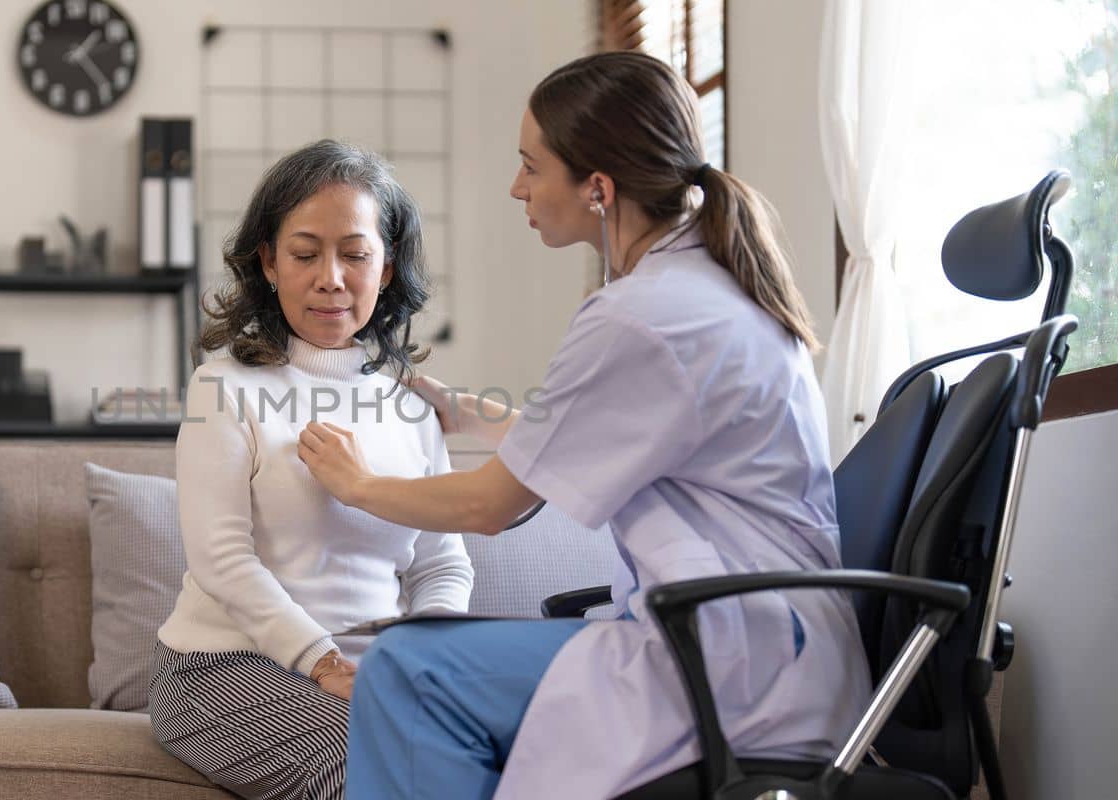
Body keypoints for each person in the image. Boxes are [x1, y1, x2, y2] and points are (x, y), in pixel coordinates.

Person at [295, 52, 871, 799]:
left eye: (531, 167)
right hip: (772, 644)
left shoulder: (641, 317)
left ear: (598, 189)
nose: (516, 187)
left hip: (734, 659)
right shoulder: (703, 291)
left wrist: (359, 484)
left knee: (409, 668)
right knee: (423, 669)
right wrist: (460, 409)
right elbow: (576, 435)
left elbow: (490, 507)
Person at [148, 139, 474, 800]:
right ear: (268, 263)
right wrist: (323, 660)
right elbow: (221, 559)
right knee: (363, 765)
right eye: (305, 254)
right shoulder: (224, 387)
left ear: (385, 269)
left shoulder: (409, 404)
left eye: (355, 254)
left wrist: (419, 660)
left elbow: (442, 563)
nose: (332, 277)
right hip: (221, 666)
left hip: (374, 668)